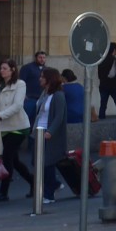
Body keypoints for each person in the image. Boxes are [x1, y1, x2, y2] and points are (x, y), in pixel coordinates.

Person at [0, 58, 32, 202]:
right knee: (14, 160)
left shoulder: (20, 84)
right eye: (1, 68)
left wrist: (1, 115)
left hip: (19, 126)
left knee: (7, 157)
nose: (2, 71)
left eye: (5, 68)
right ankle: (34, 182)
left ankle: (3, 192)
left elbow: (18, 105)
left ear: (13, 70)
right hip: (5, 127)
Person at [31, 67, 67, 205]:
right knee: (38, 162)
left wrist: (50, 132)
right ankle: (55, 184)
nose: (40, 79)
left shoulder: (58, 95)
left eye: (42, 77)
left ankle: (49, 193)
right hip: (38, 131)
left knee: (47, 163)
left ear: (49, 79)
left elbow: (59, 116)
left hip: (48, 133)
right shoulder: (44, 93)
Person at [18, 50, 46, 127]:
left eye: (44, 57)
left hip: (42, 99)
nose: (42, 59)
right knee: (27, 120)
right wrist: (23, 95)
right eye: (40, 57)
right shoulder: (27, 68)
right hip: (30, 99)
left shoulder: (47, 69)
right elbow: (21, 82)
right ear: (35, 58)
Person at [97, 42, 116, 118]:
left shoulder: (101, 60)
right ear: (114, 50)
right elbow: (114, 74)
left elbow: (99, 75)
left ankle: (101, 119)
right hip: (113, 86)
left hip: (103, 85)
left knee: (103, 105)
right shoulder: (114, 60)